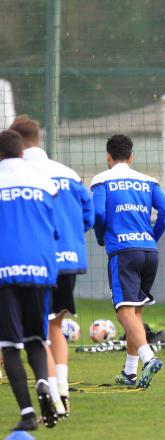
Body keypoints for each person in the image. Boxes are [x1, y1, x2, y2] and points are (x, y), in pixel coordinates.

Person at [11, 115, 94, 418]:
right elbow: (89, 215)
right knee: (55, 325)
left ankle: (53, 396)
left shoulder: (19, 175)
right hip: (69, 260)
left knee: (36, 331)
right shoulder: (68, 173)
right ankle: (62, 389)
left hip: (37, 261)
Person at [91, 134, 165, 389]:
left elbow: (99, 213)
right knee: (135, 310)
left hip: (123, 251)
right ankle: (130, 371)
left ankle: (148, 358)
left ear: (108, 157)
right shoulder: (148, 181)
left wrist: (102, 237)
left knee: (124, 310)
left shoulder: (102, 180)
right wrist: (152, 237)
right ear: (131, 157)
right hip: (149, 251)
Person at [0, 129, 59, 431]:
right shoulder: (43, 181)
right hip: (40, 266)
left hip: (4, 268)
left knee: (10, 345)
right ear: (22, 153)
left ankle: (26, 412)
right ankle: (43, 383)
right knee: (36, 338)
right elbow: (55, 228)